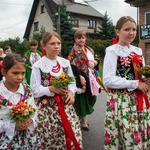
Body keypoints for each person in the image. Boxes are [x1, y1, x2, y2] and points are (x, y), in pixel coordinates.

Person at [103, 16, 150, 149]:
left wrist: (145, 78)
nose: (131, 33)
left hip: (139, 98)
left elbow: (141, 73)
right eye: (127, 29)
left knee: (139, 131)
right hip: (122, 100)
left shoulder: (137, 50)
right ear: (117, 32)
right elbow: (108, 79)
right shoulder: (112, 51)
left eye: (134, 29)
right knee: (126, 133)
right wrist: (135, 84)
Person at [30, 31, 82, 149]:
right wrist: (51, 89)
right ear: (44, 46)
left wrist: (71, 92)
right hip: (47, 110)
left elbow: (72, 83)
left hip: (65, 107)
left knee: (70, 136)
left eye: (58, 43)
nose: (56, 46)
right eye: (52, 43)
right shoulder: (38, 66)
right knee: (50, 139)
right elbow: (34, 90)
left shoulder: (65, 63)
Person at [0, 53, 42, 149]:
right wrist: (11, 125)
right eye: (15, 73)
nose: (20, 77)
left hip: (28, 138)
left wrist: (30, 119)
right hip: (4, 139)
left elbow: (34, 108)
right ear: (4, 72)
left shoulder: (26, 89)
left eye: (23, 73)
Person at [68, 29, 100, 131]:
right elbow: (71, 65)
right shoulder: (74, 51)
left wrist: (95, 62)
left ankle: (81, 118)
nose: (81, 40)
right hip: (80, 77)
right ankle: (83, 121)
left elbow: (96, 59)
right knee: (82, 100)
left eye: (83, 37)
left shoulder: (89, 49)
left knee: (92, 98)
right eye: (79, 38)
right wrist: (80, 76)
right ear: (75, 39)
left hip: (90, 77)